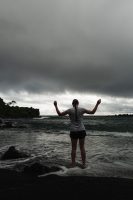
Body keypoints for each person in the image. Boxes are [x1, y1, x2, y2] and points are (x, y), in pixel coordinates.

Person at [54, 98, 101, 168]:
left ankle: (73, 164)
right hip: (82, 130)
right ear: (78, 103)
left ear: (72, 104)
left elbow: (59, 114)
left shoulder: (70, 110)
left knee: (73, 148)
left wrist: (55, 105)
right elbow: (92, 112)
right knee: (82, 148)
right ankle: (84, 164)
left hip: (73, 131)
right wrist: (97, 104)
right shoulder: (82, 109)